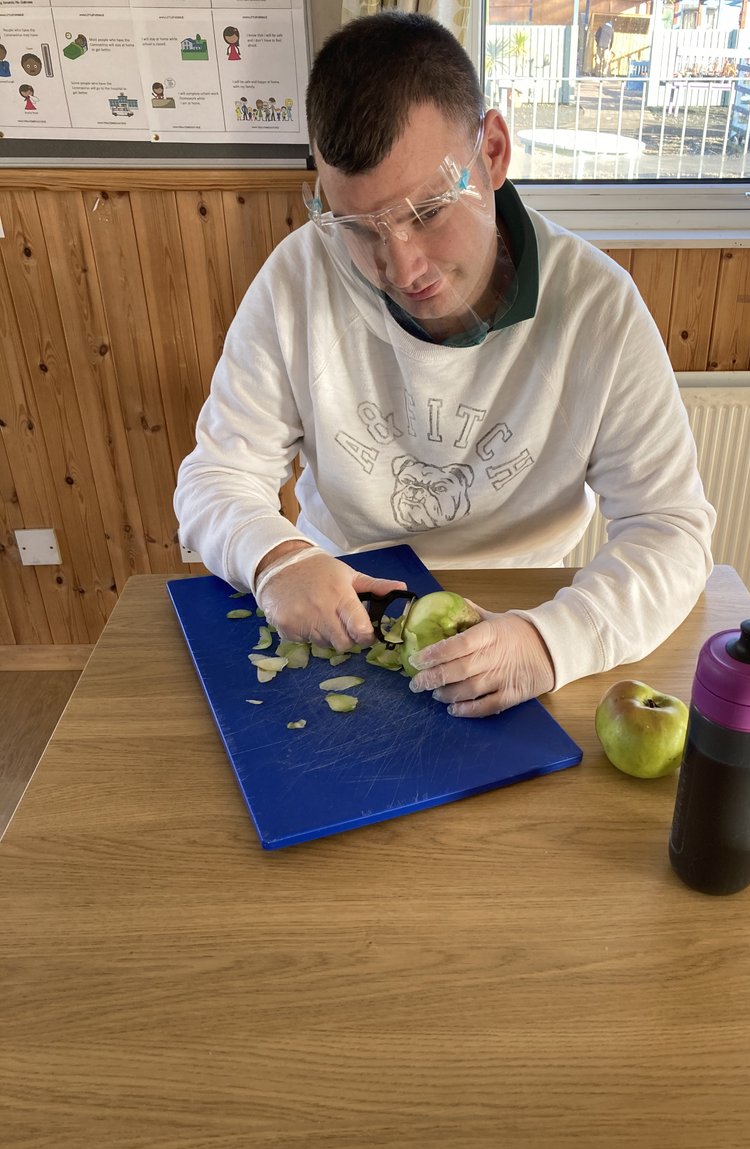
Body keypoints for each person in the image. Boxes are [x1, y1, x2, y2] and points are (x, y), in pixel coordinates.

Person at [174, 12, 714, 718]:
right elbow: (215, 476)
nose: (400, 266)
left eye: (428, 210)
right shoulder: (298, 279)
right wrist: (277, 558)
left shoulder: (597, 308)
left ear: (492, 152)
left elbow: (669, 529)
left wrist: (553, 641)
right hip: (339, 598)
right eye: (356, 228)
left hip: (526, 610)